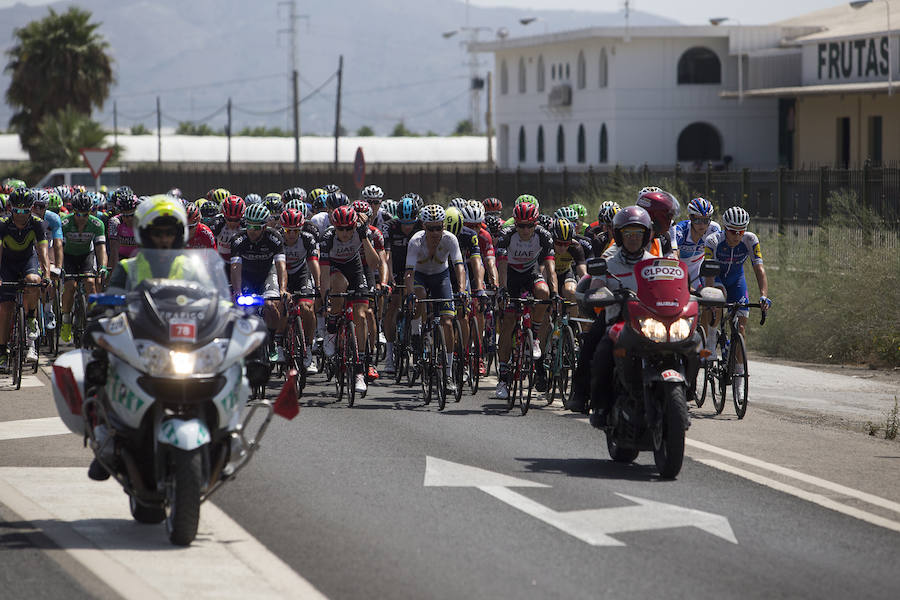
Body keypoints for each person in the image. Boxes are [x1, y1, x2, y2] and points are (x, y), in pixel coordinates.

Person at [572, 206, 655, 426]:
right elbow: (597, 285)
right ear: (618, 235)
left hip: (649, 322)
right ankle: (588, 398)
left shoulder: (655, 262)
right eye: (628, 233)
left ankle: (682, 392)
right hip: (617, 319)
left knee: (685, 342)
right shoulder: (609, 261)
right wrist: (600, 293)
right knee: (597, 349)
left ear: (647, 235)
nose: (633, 238)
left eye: (638, 233)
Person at [702, 206, 771, 400]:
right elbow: (708, 272)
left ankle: (739, 386)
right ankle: (712, 339)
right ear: (725, 228)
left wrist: (763, 295)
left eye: (741, 231)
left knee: (740, 329)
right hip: (716, 278)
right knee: (717, 297)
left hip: (737, 281)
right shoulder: (713, 241)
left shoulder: (751, 240)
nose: (737, 235)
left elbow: (759, 269)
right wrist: (711, 299)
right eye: (733, 231)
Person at [494, 201, 557, 400]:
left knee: (543, 292)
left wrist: (555, 292)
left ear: (536, 223)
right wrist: (502, 289)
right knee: (509, 322)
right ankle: (503, 378)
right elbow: (502, 267)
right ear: (516, 223)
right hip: (511, 275)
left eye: (530, 225)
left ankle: (535, 337)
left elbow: (550, 268)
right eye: (521, 225)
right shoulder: (506, 235)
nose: (525, 229)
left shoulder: (544, 236)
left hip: (530, 272)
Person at [404, 205, 467, 394]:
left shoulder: (450, 239)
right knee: (419, 297)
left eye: (438, 227)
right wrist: (410, 295)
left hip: (441, 277)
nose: (435, 232)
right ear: (423, 226)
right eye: (431, 228)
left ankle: (448, 373)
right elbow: (409, 273)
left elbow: (459, 267)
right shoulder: (416, 241)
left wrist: (462, 290)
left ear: (443, 226)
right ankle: (417, 334)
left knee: (448, 321)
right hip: (420, 277)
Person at [320, 204, 380, 393]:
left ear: (354, 225)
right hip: (334, 268)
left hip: (355, 268)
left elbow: (374, 263)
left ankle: (360, 370)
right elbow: (323, 275)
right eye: (341, 229)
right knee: (338, 283)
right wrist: (324, 300)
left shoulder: (361, 232)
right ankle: (332, 326)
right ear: (334, 226)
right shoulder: (327, 238)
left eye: (349, 228)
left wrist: (363, 237)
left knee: (361, 316)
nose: (345, 233)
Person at [229, 204, 287, 365]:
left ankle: (272, 340)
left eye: (256, 227)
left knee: (271, 304)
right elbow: (235, 267)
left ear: (264, 226)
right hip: (247, 277)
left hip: (268, 274)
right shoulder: (238, 240)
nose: (251, 230)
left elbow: (281, 266)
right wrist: (238, 291)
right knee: (247, 307)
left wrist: (282, 289)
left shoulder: (274, 237)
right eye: (248, 225)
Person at [0, 188, 50, 365]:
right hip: (7, 263)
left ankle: (31, 318)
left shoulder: (37, 223)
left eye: (25, 211)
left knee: (34, 281)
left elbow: (43, 252)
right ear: (10, 208)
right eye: (17, 210)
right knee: (5, 307)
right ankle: (2, 351)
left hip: (28, 260)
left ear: (31, 209)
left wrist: (47, 274)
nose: (21, 215)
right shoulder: (3, 224)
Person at [59, 192, 108, 344]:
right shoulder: (65, 223)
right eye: (78, 214)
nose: (81, 218)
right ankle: (66, 320)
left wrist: (103, 267)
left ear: (91, 211)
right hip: (68, 256)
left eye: (85, 214)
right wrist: (59, 266)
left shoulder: (97, 224)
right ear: (73, 211)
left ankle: (92, 319)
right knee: (70, 286)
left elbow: (101, 249)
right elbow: (59, 247)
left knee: (91, 283)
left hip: (86, 255)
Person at [382, 197, 422, 375]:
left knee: (420, 300)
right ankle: (390, 356)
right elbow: (387, 256)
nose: (407, 227)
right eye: (404, 223)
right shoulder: (390, 226)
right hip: (396, 266)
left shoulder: (421, 225)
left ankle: (418, 335)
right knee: (393, 306)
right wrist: (390, 278)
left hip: (415, 267)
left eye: (410, 223)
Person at [279, 208, 320, 374]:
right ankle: (279, 344)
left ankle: (308, 347)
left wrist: (318, 286)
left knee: (306, 308)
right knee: (279, 305)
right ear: (283, 229)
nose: (291, 234)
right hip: (281, 273)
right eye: (288, 230)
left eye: (296, 230)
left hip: (302, 273)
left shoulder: (307, 239)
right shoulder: (277, 239)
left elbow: (313, 263)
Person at [675, 198, 721, 290]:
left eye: (706, 220)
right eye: (698, 220)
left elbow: (715, 258)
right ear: (690, 218)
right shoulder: (681, 230)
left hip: (700, 271)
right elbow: (674, 257)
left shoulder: (713, 229)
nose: (702, 225)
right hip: (681, 271)